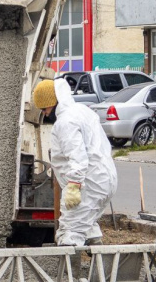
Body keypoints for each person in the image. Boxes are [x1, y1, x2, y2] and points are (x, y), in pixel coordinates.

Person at [32, 78, 118, 246]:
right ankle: (99, 266)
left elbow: (77, 157)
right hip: (105, 181)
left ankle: (69, 271)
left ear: (54, 102)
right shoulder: (82, 111)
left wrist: (73, 185)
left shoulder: (65, 122)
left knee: (69, 231)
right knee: (87, 225)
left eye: (45, 108)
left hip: (87, 185)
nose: (45, 113)